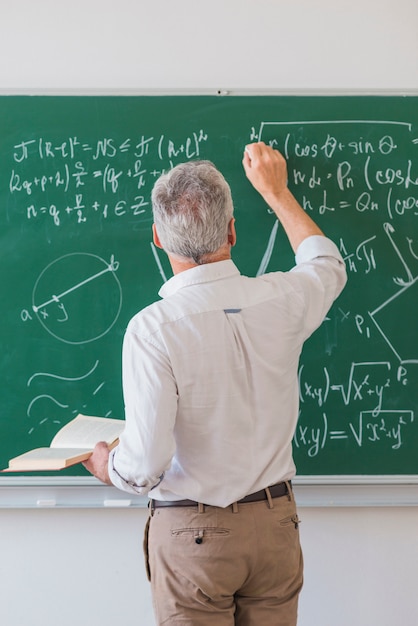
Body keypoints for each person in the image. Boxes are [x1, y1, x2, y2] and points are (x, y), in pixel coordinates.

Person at [84, 142, 347, 626]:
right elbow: (326, 266)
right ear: (231, 231)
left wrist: (108, 467)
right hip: (274, 525)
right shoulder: (283, 297)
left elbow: (143, 465)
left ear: (158, 240)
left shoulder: (153, 328)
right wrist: (278, 192)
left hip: (194, 531)